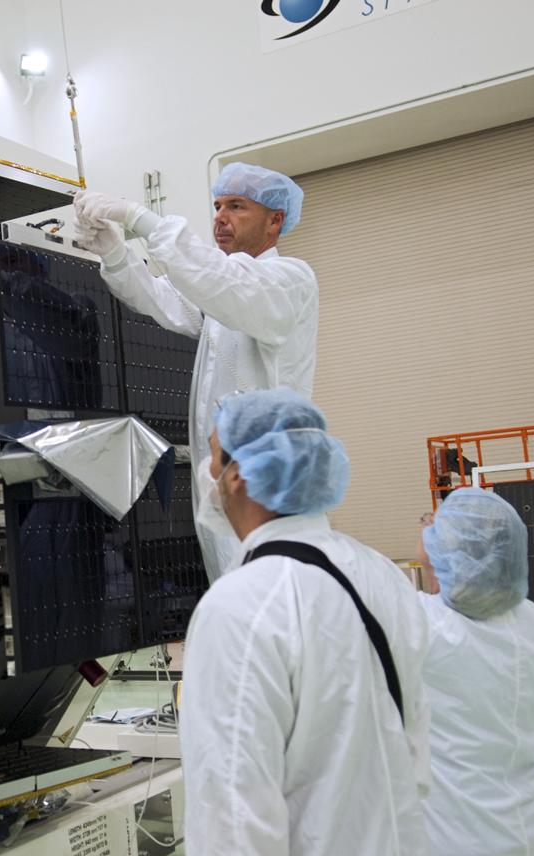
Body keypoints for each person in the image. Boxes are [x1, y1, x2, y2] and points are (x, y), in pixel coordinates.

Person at [179, 388, 430, 855]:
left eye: (212, 455)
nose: (206, 471)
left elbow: (232, 820)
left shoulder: (240, 606)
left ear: (237, 477)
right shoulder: (383, 576)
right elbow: (413, 740)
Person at [73, 164, 318, 580]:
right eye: (218, 205)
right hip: (224, 488)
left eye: (237, 206)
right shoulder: (227, 291)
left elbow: (220, 282)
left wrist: (138, 217)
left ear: (276, 219)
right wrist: (114, 252)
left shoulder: (288, 279)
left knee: (272, 604)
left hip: (267, 489)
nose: (220, 217)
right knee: (236, 605)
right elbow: (165, 300)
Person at [415, 488, 534, 856]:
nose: (427, 526)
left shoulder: (420, 621)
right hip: (527, 829)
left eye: (435, 523)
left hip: (451, 838)